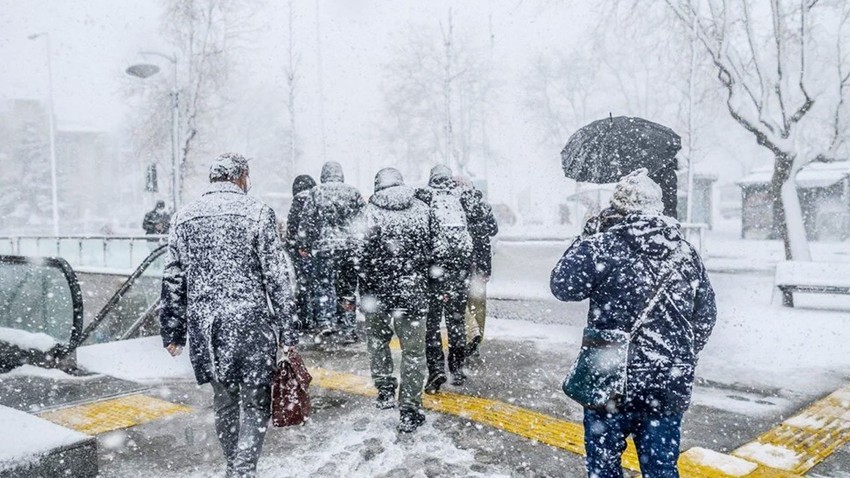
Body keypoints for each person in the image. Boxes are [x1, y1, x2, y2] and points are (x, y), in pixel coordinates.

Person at [550, 169, 717, 478]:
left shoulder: (600, 246)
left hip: (609, 379)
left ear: (618, 208)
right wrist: (680, 355)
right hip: (666, 382)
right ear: (658, 208)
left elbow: (562, 286)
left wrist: (586, 237)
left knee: (603, 468)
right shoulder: (685, 253)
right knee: (662, 469)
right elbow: (705, 315)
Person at [160, 152, 298, 478]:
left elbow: (173, 277)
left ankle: (233, 466)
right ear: (241, 177)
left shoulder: (184, 218)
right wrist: (288, 333)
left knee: (224, 401)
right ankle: (244, 470)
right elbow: (278, 278)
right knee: (254, 402)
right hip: (249, 323)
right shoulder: (258, 213)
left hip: (206, 325)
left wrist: (173, 331)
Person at [356, 168, 432, 433]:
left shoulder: (369, 212)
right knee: (413, 352)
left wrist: (356, 288)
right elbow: (439, 251)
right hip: (413, 292)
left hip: (376, 295)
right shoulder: (423, 210)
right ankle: (410, 409)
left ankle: (386, 391)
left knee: (378, 341)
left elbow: (357, 255)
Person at [415, 165, 473, 393]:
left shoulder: (426, 199)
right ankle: (457, 368)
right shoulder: (461, 200)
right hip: (460, 271)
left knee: (432, 325)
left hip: (434, 271)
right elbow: (483, 226)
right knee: (456, 322)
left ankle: (436, 369)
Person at [298, 161, 366, 344]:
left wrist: (304, 243)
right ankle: (348, 326)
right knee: (347, 288)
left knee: (324, 286)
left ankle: (325, 322)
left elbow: (307, 220)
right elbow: (363, 221)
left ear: (323, 175)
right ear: (341, 174)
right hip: (348, 249)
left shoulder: (316, 192)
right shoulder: (353, 192)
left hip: (325, 248)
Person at [454, 177, 498, 359]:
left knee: (459, 303)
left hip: (460, 264)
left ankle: (470, 333)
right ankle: (476, 340)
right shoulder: (483, 206)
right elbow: (493, 230)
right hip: (480, 264)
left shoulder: (454, 207)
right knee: (478, 305)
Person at [286, 174, 317, 332]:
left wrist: (293, 246)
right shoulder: (317, 198)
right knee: (319, 284)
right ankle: (320, 319)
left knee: (302, 286)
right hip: (317, 250)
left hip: (300, 251)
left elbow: (292, 227)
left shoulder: (298, 200)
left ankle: (304, 319)